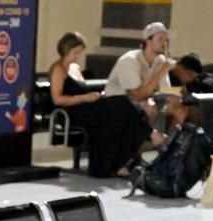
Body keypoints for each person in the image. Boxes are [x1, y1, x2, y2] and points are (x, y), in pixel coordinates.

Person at [49, 32, 162, 178]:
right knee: (120, 104)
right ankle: (151, 135)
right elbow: (57, 99)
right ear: (66, 50)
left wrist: (96, 96)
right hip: (73, 112)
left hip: (87, 107)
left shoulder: (75, 68)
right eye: (75, 52)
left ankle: (124, 161)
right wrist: (85, 97)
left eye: (79, 52)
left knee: (122, 108)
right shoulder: (58, 69)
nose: (77, 56)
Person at [104, 22, 174, 124]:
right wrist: (163, 70)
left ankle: (172, 139)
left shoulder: (161, 61)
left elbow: (165, 90)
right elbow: (137, 95)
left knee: (178, 108)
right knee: (150, 108)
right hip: (118, 102)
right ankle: (149, 138)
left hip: (142, 100)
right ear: (148, 41)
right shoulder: (130, 60)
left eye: (166, 40)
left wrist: (181, 95)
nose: (164, 44)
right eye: (160, 39)